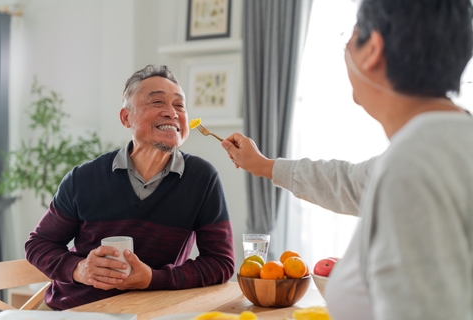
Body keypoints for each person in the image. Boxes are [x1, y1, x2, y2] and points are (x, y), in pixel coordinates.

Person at [221, 0, 473, 319]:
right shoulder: (445, 142)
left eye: (351, 37)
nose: (346, 51)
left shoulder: (413, 166)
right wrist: (264, 166)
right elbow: (351, 182)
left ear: (373, 50)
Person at [25, 65, 235, 310]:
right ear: (126, 117)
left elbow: (221, 262)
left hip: (152, 311)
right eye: (157, 102)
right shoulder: (83, 178)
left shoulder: (201, 177)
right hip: (75, 310)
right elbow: (39, 244)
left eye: (179, 105)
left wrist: (153, 279)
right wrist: (80, 269)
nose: (172, 113)